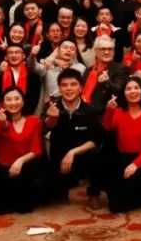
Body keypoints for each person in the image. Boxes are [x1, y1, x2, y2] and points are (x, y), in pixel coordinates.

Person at [0, 87, 43, 214]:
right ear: (3, 103)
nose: (13, 103)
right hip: (4, 169)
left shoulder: (34, 121)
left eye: (17, 99)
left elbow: (36, 150)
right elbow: (2, 129)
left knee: (24, 208)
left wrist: (20, 161)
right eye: (8, 99)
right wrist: (3, 122)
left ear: (23, 102)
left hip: (26, 167)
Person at [44, 69, 102, 202]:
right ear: (59, 89)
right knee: (44, 194)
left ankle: (94, 193)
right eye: (64, 85)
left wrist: (72, 152)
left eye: (73, 84)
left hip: (83, 156)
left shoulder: (90, 110)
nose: (69, 89)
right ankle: (62, 188)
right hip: (59, 158)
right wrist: (52, 117)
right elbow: (46, 127)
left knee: (98, 155)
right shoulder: (53, 107)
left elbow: (96, 139)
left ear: (81, 88)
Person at [102, 77, 141, 212]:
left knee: (123, 202)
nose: (133, 91)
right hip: (121, 159)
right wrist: (109, 110)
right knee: (115, 205)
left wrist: (135, 165)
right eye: (128, 89)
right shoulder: (118, 112)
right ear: (123, 93)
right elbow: (107, 126)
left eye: (136, 88)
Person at [81, 35, 131, 111]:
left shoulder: (121, 69)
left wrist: (107, 83)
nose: (107, 52)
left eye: (110, 49)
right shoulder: (88, 71)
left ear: (114, 51)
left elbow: (120, 91)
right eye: (103, 49)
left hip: (106, 113)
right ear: (96, 51)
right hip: (85, 112)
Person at [0, 44, 42, 115]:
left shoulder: (32, 73)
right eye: (10, 53)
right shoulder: (1, 71)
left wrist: (23, 115)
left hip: (25, 113)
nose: (14, 55)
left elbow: (34, 98)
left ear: (24, 56)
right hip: (3, 113)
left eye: (17, 52)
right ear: (6, 57)